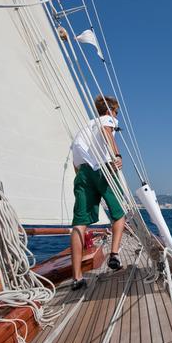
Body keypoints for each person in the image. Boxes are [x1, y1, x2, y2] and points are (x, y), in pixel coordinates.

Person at [69, 95, 126, 290]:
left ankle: (77, 277)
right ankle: (114, 255)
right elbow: (106, 131)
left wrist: (84, 180)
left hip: (82, 174)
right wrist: (116, 155)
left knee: (79, 224)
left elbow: (76, 160)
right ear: (110, 110)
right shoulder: (106, 119)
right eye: (116, 112)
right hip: (103, 169)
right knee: (119, 214)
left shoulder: (83, 128)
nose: (116, 116)